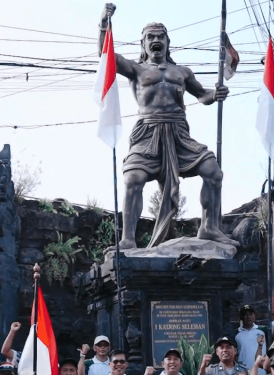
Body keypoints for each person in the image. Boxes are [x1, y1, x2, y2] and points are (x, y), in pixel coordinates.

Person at [97, 5, 234, 249]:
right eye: (150, 37)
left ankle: (210, 227)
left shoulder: (182, 72)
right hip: (148, 133)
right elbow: (106, 56)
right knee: (133, 179)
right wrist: (103, 24)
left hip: (179, 134)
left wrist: (216, 94)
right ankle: (128, 239)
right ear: (143, 44)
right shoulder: (136, 69)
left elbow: (202, 95)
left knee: (213, 171)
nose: (156, 40)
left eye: (160, 36)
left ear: (168, 43)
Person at [235, 305, 266, 371]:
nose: (248, 317)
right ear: (241, 316)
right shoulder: (236, 333)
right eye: (245, 314)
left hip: (261, 371)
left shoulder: (263, 330)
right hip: (242, 371)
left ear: (255, 315)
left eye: (251, 314)